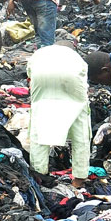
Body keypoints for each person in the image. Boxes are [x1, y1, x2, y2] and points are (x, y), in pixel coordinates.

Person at [27, 43, 92, 188]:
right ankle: (79, 179)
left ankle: (40, 174)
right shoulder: (76, 57)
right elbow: (84, 79)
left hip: (41, 74)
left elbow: (29, 75)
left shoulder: (40, 53)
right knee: (80, 118)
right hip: (71, 76)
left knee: (39, 120)